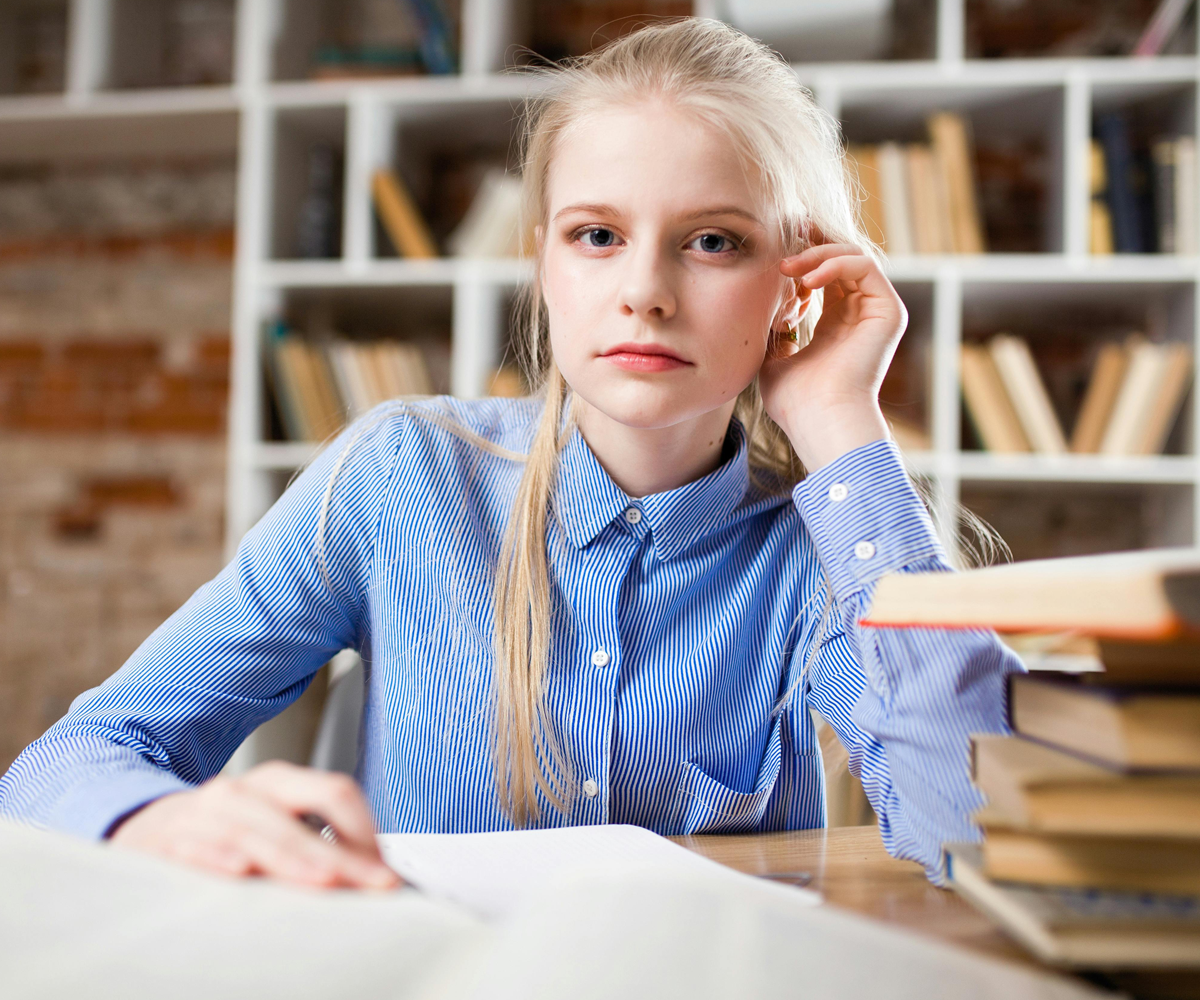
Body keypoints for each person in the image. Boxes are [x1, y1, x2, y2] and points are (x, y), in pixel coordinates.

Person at [0, 18, 1020, 891]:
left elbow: (977, 834)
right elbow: (67, 763)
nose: (647, 292)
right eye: (596, 235)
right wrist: (158, 821)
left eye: (714, 242)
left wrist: (841, 420)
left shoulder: (819, 545)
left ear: (794, 281)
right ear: (540, 257)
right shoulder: (403, 474)